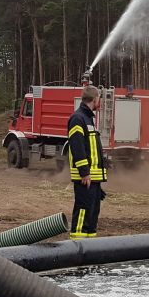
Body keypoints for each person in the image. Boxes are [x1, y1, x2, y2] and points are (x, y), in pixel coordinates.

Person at [67, 85, 108, 238]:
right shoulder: (78, 118)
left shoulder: (88, 118)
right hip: (86, 178)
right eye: (99, 98)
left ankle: (90, 248)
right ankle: (77, 247)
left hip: (93, 179)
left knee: (92, 214)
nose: (100, 102)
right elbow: (77, 147)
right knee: (83, 212)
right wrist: (84, 173)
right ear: (95, 98)